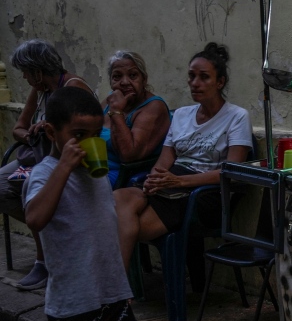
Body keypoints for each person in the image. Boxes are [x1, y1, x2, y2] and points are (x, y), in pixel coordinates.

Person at [24, 86, 150, 321]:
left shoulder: (97, 175)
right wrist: (62, 166)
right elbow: (35, 219)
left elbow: (102, 228)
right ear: (52, 133)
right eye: (78, 135)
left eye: (96, 135)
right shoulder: (46, 174)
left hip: (110, 291)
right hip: (73, 301)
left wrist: (121, 283)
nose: (88, 144)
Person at [114, 42, 252, 276]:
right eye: (191, 76)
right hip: (171, 183)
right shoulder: (181, 115)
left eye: (204, 77)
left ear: (220, 82)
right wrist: (154, 179)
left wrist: (179, 183)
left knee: (128, 227)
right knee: (118, 199)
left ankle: (116, 290)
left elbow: (233, 171)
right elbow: (164, 161)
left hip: (205, 191)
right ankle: (118, 290)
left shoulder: (237, 117)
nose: (195, 83)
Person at [4, 39, 94, 291]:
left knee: (27, 186)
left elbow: (84, 134)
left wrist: (51, 130)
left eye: (25, 71)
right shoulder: (41, 89)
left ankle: (44, 259)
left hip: (67, 160)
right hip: (37, 155)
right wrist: (32, 133)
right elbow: (18, 129)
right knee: (3, 185)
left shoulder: (73, 88)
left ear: (37, 70)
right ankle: (53, 235)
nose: (23, 77)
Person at [101, 50, 172, 187]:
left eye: (133, 75)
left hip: (122, 175)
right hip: (94, 168)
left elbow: (128, 155)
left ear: (144, 79)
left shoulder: (154, 107)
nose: (125, 82)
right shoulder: (110, 100)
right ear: (110, 82)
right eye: (117, 77)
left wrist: (116, 112)